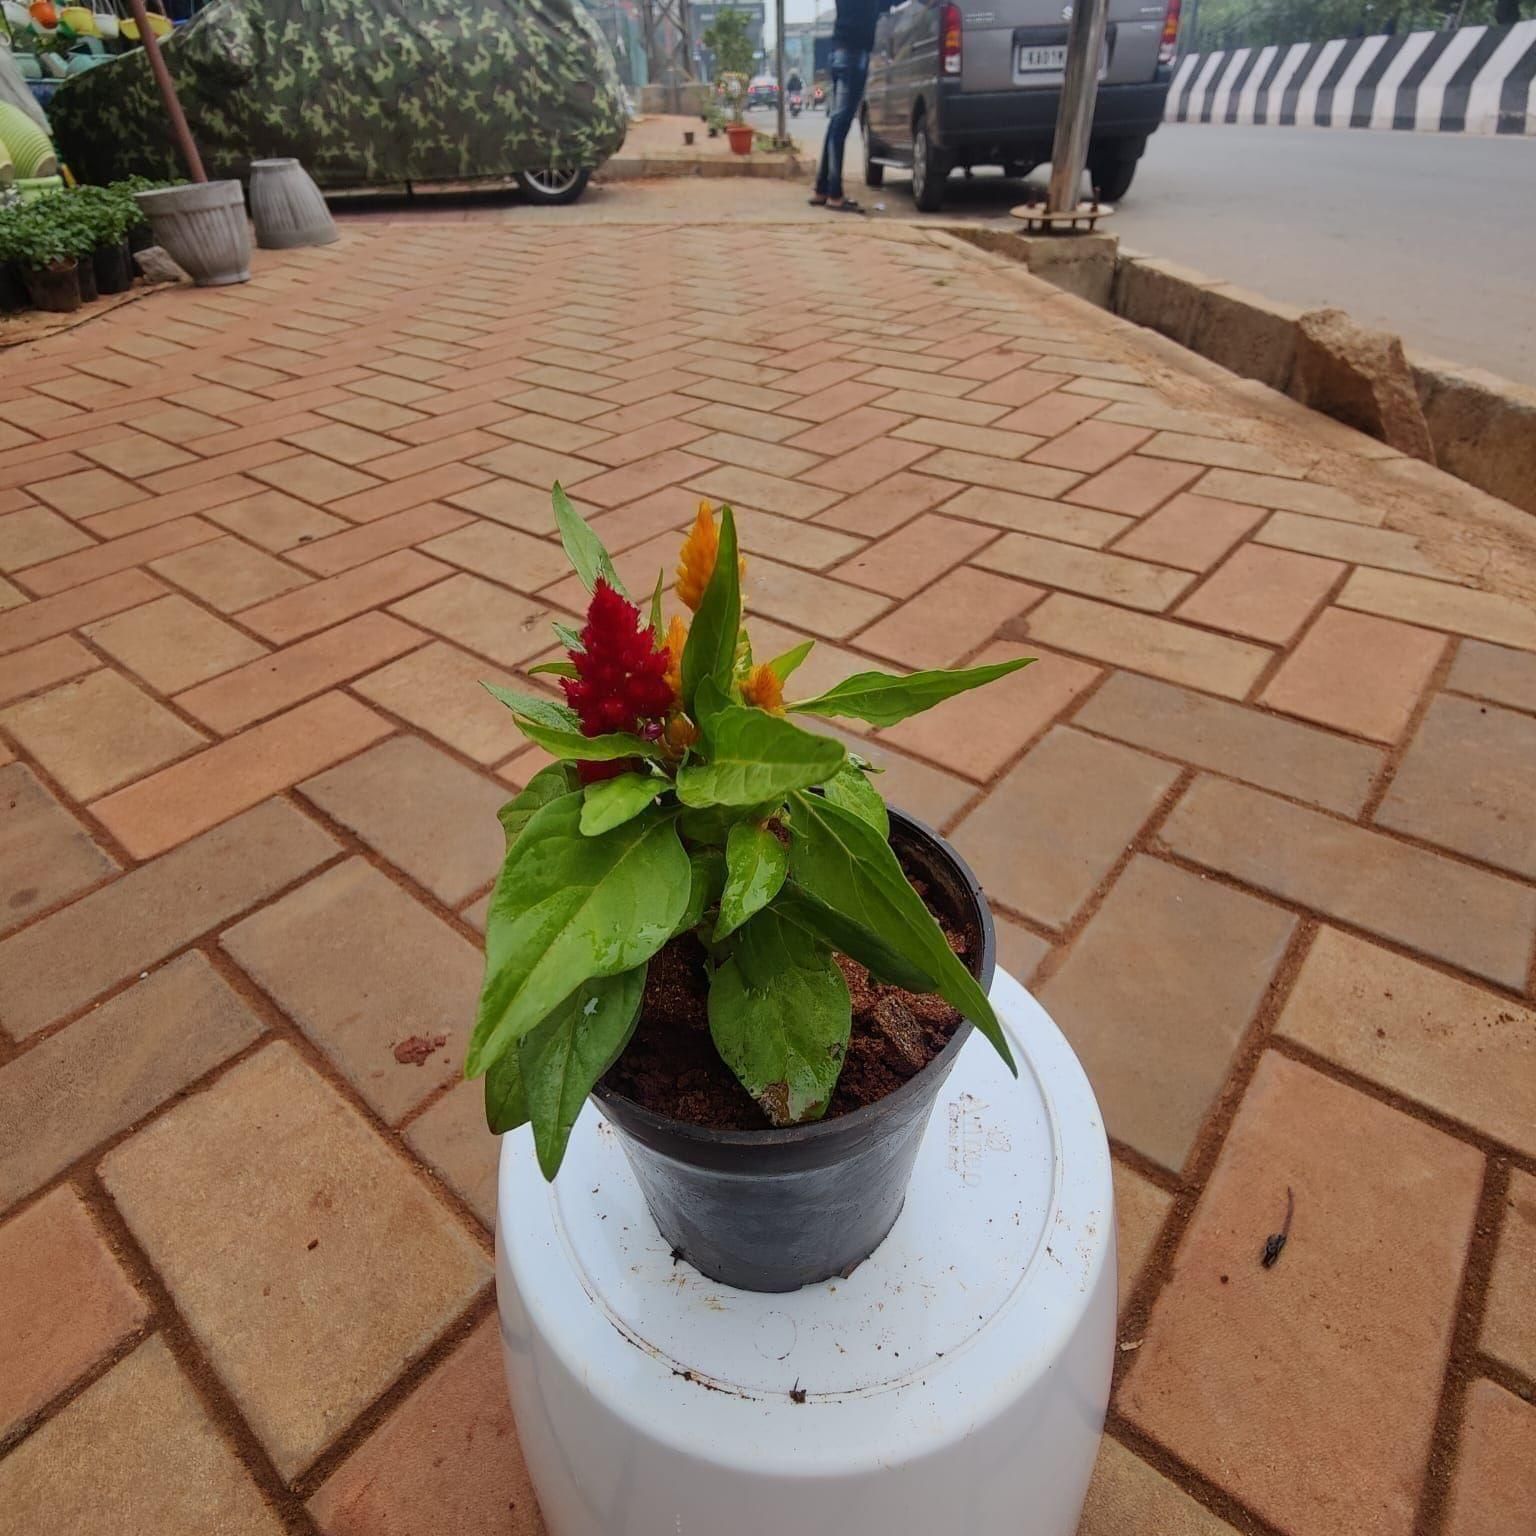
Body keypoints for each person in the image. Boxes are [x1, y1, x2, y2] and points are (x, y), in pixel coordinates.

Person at [810, 0, 892, 212]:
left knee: (835, 123)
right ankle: (835, 195)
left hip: (839, 53)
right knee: (840, 125)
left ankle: (822, 189)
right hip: (853, 56)